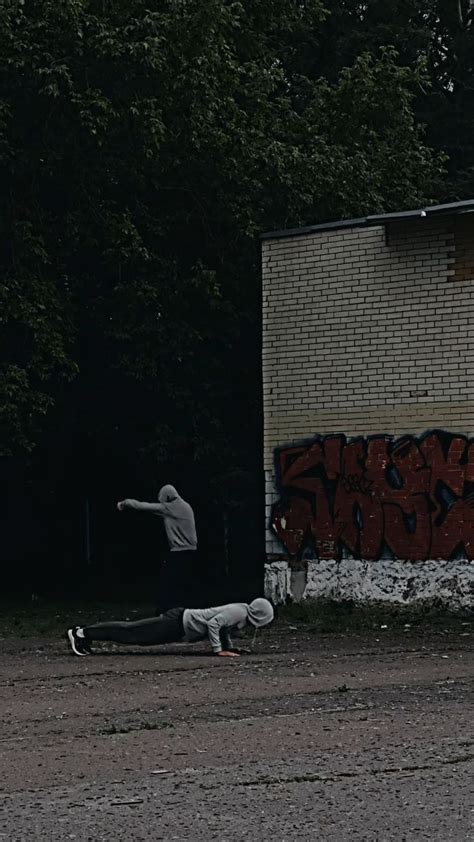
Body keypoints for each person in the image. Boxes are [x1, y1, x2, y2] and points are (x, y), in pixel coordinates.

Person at [66, 598, 274, 658]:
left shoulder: (241, 612)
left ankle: (86, 635)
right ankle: (81, 632)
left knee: (136, 636)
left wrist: (231, 648)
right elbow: (214, 624)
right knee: (131, 631)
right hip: (177, 622)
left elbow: (223, 629)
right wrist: (219, 651)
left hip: (179, 625)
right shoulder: (239, 612)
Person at [117, 484, 197, 611]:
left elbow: (143, 506)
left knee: (168, 585)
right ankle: (182, 615)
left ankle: (165, 614)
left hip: (179, 553)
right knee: (183, 586)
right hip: (191, 552)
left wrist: (125, 503)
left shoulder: (171, 508)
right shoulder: (186, 506)